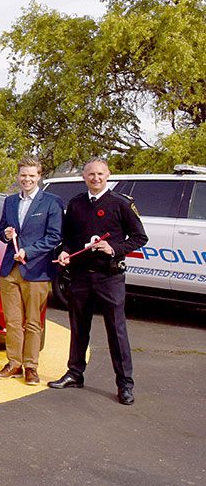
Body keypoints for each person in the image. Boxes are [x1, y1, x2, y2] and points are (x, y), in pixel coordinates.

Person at [49, 158, 147, 405]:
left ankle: (125, 385)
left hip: (109, 277)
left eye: (100, 174)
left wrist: (113, 247)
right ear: (84, 177)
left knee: (116, 331)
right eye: (91, 174)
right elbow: (69, 238)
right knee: (79, 328)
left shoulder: (120, 204)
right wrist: (64, 251)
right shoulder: (76, 204)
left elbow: (139, 238)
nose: (96, 178)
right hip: (80, 277)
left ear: (108, 175)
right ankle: (75, 373)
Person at [0, 157, 63, 385]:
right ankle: (14, 364)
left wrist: (28, 251)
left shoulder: (51, 202)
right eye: (23, 175)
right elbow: (2, 229)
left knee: (33, 323)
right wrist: (7, 234)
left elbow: (54, 237)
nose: (27, 179)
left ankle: (31, 366)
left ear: (39, 176)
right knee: (12, 322)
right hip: (10, 270)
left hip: (36, 270)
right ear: (18, 176)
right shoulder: (10, 201)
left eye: (32, 175)